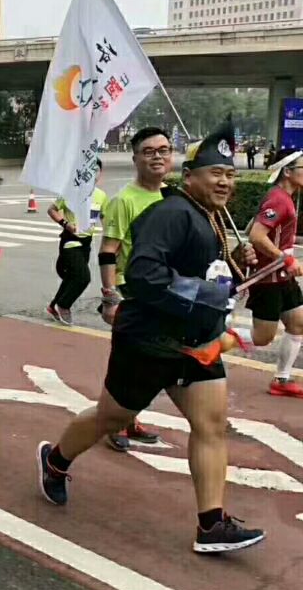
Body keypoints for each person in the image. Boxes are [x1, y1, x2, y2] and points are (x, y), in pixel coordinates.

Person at [36, 118, 266, 554]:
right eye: (215, 173)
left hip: (197, 343)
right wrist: (209, 294)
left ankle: (211, 524)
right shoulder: (171, 213)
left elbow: (204, 273)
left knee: (211, 425)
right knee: (111, 418)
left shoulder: (209, 216)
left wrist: (235, 262)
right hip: (149, 341)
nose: (224, 182)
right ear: (190, 176)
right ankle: (55, 460)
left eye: (230, 174)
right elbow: (143, 274)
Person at [98, 126, 173, 451]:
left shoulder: (173, 197)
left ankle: (129, 418)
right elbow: (108, 251)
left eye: (163, 150)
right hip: (132, 292)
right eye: (148, 151)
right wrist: (110, 298)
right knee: (126, 362)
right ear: (136, 158)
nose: (157, 157)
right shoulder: (123, 200)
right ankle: (113, 421)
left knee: (150, 363)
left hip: (165, 292)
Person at [246, 149, 303, 396]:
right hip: (268, 276)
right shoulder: (279, 199)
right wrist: (285, 258)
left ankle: (282, 380)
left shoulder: (286, 197)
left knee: (299, 322)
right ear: (287, 172)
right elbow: (256, 235)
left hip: (282, 275)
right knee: (262, 338)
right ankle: (214, 335)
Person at [46, 158, 108, 325]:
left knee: (72, 277)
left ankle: (52, 306)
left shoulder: (101, 195)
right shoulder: (71, 191)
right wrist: (65, 223)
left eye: (96, 170)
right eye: (90, 170)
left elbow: (104, 217)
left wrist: (110, 236)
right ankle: (64, 305)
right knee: (83, 277)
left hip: (87, 243)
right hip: (70, 241)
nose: (93, 174)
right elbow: (52, 209)